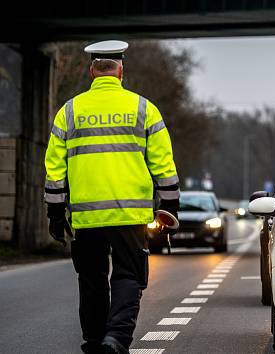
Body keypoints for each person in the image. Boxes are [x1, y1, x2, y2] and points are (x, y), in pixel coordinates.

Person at [43, 40, 180, 354]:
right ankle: (115, 339)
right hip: (130, 217)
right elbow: (163, 163)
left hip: (87, 217)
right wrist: (169, 205)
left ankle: (93, 340)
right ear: (121, 70)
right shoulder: (144, 109)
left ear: (91, 70)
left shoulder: (70, 112)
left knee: (91, 279)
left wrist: (54, 212)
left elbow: (54, 168)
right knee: (128, 277)